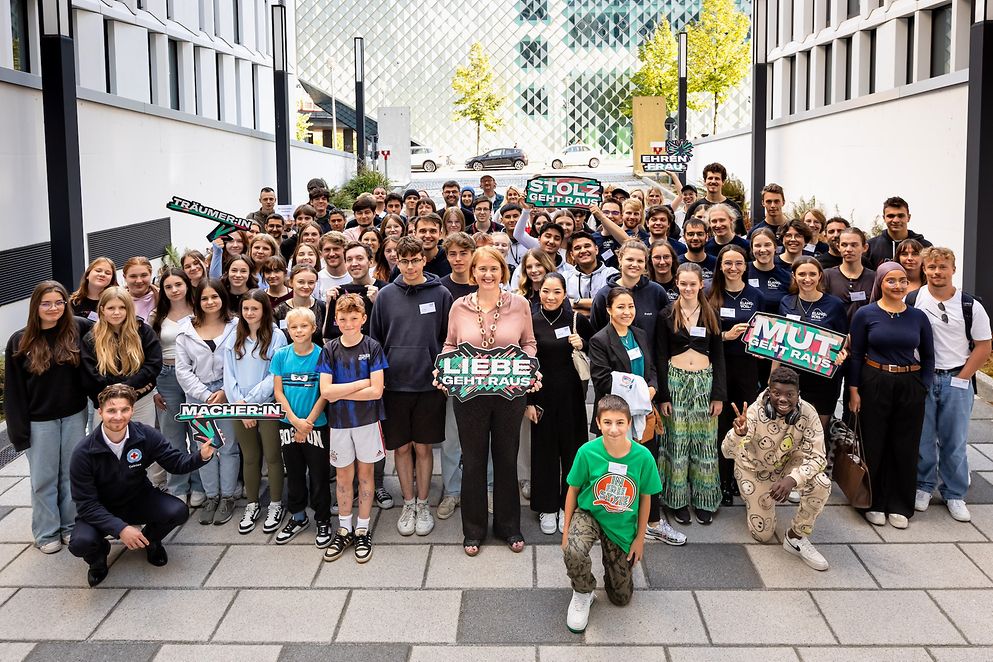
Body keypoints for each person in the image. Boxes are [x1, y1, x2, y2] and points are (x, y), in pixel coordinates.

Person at [442, 246, 538, 556]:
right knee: (473, 461)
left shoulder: (520, 304)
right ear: (473, 273)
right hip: (469, 397)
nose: (487, 274)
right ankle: (474, 529)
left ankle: (509, 526)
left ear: (502, 272)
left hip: (509, 395)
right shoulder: (459, 306)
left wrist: (528, 368)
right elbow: (449, 344)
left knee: (506, 458)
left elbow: (529, 343)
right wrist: (443, 368)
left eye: (493, 269)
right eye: (481, 268)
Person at [69, 384, 215, 587]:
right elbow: (86, 505)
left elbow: (175, 463)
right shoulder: (83, 453)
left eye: (124, 409)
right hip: (101, 508)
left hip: (137, 498)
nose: (118, 416)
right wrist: (121, 529)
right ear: (100, 412)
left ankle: (150, 540)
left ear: (132, 410)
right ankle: (98, 559)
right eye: (111, 410)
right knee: (79, 543)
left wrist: (201, 456)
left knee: (178, 511)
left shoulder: (145, 435)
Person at [371, 235, 453, 537]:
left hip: (429, 385)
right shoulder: (386, 296)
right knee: (402, 448)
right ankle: (408, 502)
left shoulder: (441, 294)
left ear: (424, 260)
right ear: (397, 261)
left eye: (414, 259)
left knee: (423, 447)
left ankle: (422, 502)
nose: (409, 265)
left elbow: (448, 338)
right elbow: (376, 340)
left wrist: (442, 372)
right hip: (394, 386)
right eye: (403, 260)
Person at [589, 288, 684, 545]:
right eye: (620, 307)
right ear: (609, 310)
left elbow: (651, 368)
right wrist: (639, 389)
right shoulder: (600, 340)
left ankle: (653, 521)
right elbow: (602, 381)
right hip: (616, 419)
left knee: (645, 467)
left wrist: (652, 387)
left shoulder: (639, 334)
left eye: (630, 306)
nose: (627, 312)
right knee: (615, 470)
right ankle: (614, 523)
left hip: (644, 415)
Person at [561, 395, 664, 633]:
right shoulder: (587, 452)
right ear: (598, 423)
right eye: (607, 422)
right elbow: (573, 490)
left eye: (620, 422)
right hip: (590, 513)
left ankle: (616, 571)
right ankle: (583, 591)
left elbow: (647, 497)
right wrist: (566, 532)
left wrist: (640, 539)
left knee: (621, 598)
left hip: (621, 523)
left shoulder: (643, 457)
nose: (614, 429)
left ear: (629, 423)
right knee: (573, 551)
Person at [5, 281, 90, 553]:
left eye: (58, 302)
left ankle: (70, 526)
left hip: (75, 415)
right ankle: (46, 532)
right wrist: (18, 432)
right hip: (39, 421)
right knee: (43, 478)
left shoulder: (79, 328)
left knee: (70, 474)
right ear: (35, 307)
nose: (53, 308)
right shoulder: (20, 340)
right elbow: (14, 391)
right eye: (46, 303)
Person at [849, 262, 935, 529]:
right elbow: (855, 355)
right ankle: (874, 502)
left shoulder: (918, 317)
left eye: (902, 281)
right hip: (875, 380)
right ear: (881, 284)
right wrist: (853, 390)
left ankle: (900, 504)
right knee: (875, 443)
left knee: (905, 444)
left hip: (909, 382)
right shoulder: (866, 314)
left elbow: (930, 356)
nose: (898, 286)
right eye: (891, 281)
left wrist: (923, 386)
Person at [721, 367, 832, 571]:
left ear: (798, 394)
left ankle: (795, 537)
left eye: (789, 394)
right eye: (776, 393)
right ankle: (756, 498)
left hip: (787, 466)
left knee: (821, 483)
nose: (783, 399)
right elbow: (727, 452)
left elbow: (818, 457)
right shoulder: (753, 412)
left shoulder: (808, 413)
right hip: (754, 470)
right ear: (769, 391)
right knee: (763, 535)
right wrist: (738, 434)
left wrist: (793, 479)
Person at [912, 247, 992, 522]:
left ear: (953, 270)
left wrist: (962, 378)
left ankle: (954, 493)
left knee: (954, 440)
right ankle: (923, 486)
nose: (936, 272)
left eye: (942, 267)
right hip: (924, 377)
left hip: (956, 377)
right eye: (931, 267)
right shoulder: (914, 299)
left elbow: (983, 346)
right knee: (923, 437)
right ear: (924, 269)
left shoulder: (970, 305)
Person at [318, 295, 388, 562]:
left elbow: (377, 391)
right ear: (336, 320)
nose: (348, 323)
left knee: (366, 475)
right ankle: (344, 528)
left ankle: (362, 528)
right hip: (339, 424)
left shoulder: (373, 346)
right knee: (344, 477)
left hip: (367, 422)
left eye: (354, 318)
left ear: (363, 319)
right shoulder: (330, 349)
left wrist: (342, 391)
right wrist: (361, 383)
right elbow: (326, 391)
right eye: (343, 318)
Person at [656, 262, 726, 525]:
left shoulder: (711, 315)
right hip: (675, 382)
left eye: (692, 284)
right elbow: (662, 356)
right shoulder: (667, 314)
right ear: (677, 283)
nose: (687, 288)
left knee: (705, 442)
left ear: (701, 285)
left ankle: (704, 500)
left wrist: (718, 394)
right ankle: (677, 500)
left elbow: (719, 356)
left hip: (704, 383)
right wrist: (663, 396)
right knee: (677, 441)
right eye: (683, 283)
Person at [527, 273, 594, 534]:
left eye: (556, 291)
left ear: (565, 293)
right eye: (546, 291)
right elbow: (524, 363)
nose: (550, 296)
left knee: (572, 450)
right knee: (543, 451)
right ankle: (547, 506)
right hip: (541, 396)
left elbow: (597, 347)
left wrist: (584, 343)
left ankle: (570, 502)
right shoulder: (531, 321)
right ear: (539, 292)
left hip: (571, 396)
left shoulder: (576, 319)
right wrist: (528, 401)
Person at [175, 279, 241, 526]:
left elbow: (240, 362)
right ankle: (211, 496)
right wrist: (204, 395)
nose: (210, 302)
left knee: (228, 446)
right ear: (197, 301)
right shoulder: (185, 331)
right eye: (204, 298)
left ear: (223, 298)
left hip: (227, 394)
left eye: (215, 297)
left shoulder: (235, 326)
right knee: (204, 447)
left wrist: (224, 391)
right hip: (198, 397)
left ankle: (228, 496)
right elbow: (182, 371)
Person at [223, 289, 288, 535]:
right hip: (239, 406)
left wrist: (250, 402)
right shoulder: (233, 335)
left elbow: (274, 375)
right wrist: (240, 404)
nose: (249, 313)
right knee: (249, 456)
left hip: (267, 405)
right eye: (245, 309)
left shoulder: (277, 336)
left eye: (255, 309)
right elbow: (228, 374)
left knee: (272, 456)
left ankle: (275, 503)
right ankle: (251, 504)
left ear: (264, 310)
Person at [270, 307, 333, 547]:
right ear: (287, 329)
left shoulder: (322, 355)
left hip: (316, 426)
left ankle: (323, 519)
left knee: (318, 475)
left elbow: (324, 394)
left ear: (314, 329)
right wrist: (295, 421)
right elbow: (278, 392)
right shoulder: (281, 356)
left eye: (304, 326)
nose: (298, 330)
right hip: (288, 424)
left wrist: (308, 423)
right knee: (294, 473)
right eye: (293, 326)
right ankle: (297, 517)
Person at [706, 245, 764, 506]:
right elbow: (698, 332)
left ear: (745, 266)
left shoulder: (756, 295)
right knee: (721, 424)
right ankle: (722, 480)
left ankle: (742, 478)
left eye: (738, 263)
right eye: (727, 263)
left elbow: (765, 330)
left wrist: (763, 348)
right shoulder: (710, 293)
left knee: (745, 423)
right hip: (719, 366)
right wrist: (724, 336)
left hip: (747, 368)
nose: (733, 268)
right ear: (720, 266)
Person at [148, 269, 204, 506]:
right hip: (166, 377)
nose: (174, 290)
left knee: (199, 432)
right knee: (173, 435)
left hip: (194, 375)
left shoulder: (199, 310)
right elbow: (148, 354)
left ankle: (200, 484)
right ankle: (178, 486)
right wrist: (153, 389)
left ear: (186, 285)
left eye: (178, 284)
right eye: (168, 286)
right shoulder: (156, 316)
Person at [80, 287, 163, 437]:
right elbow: (90, 373)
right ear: (102, 310)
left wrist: (127, 387)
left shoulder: (144, 332)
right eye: (111, 308)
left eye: (122, 307)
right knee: (106, 450)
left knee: (141, 446)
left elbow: (153, 364)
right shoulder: (91, 338)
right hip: (106, 403)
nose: (116, 312)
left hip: (140, 402)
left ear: (129, 309)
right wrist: (116, 392)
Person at [777, 258, 849, 428]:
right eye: (802, 274)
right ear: (794, 276)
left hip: (824, 380)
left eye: (812, 274)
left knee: (818, 433)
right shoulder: (786, 302)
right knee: (789, 431)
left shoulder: (834, 304)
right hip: (793, 377)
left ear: (820, 276)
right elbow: (779, 342)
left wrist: (841, 354)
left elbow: (842, 339)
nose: (807, 279)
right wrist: (773, 377)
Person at [590, 240, 669, 339]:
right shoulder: (603, 295)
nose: (635, 265)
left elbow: (666, 330)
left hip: (650, 354)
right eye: (630, 259)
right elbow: (595, 333)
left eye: (640, 261)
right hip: (614, 354)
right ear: (620, 259)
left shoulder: (657, 292)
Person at [823, 227, 875, 321]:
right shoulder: (827, 276)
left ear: (865, 247)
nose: (848, 249)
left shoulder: (874, 278)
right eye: (844, 245)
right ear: (838, 247)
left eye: (854, 245)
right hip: (834, 333)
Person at [867, 196, 932, 267]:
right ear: (884, 218)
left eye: (900, 216)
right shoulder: (871, 246)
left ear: (908, 217)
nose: (896, 220)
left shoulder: (925, 247)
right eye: (891, 216)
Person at [564, 231, 617, 315]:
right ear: (572, 255)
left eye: (587, 246)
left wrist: (575, 302)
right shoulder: (565, 277)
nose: (583, 250)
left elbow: (612, 304)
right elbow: (562, 305)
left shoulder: (611, 274)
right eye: (577, 248)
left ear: (596, 250)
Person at [684, 163, 744, 235]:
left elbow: (739, 234)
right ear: (704, 181)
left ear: (723, 182)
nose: (713, 181)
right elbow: (686, 232)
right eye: (710, 178)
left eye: (717, 178)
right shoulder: (694, 207)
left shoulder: (733, 207)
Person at [275, 265, 326, 346]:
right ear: (291, 282)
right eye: (301, 282)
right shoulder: (278, 311)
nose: (306, 286)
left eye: (311, 282)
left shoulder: (322, 307)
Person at [748, 228, 792, 312]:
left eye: (767, 245)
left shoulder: (787, 277)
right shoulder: (742, 272)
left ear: (775, 247)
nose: (763, 250)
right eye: (757, 245)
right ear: (752, 248)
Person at [317, 231, 351, 300]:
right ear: (321, 253)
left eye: (336, 249)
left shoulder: (355, 276)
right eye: (327, 250)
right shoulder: (317, 279)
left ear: (345, 251)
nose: (332, 254)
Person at [123, 257, 158, 322]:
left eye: (144, 275)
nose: (139, 281)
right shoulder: (117, 300)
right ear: (125, 277)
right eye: (133, 276)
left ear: (150, 275)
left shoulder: (163, 297)